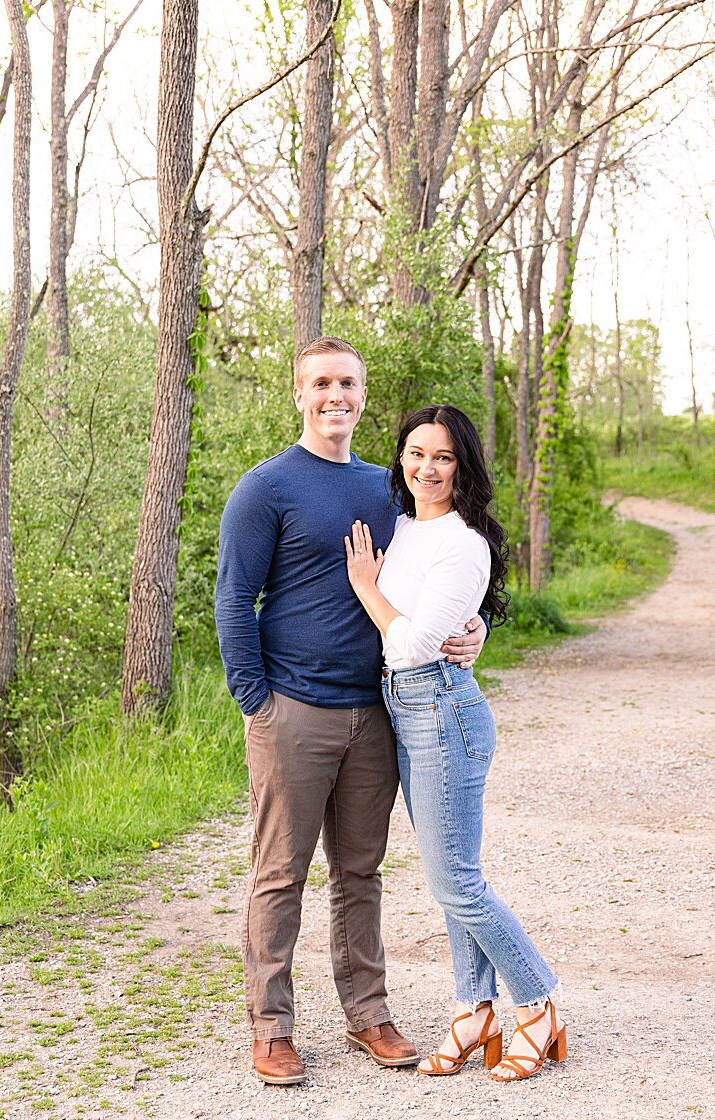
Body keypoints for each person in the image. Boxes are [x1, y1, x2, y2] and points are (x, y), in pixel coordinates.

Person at [214, 336, 487, 1086]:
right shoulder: (265, 487)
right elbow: (234, 598)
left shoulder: (388, 491)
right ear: (299, 393)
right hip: (291, 711)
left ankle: (369, 1015)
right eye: (323, 383)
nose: (337, 396)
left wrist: (476, 628)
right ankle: (271, 1030)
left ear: (364, 398)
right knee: (281, 873)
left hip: (377, 712)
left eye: (349, 385)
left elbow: (438, 573)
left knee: (361, 873)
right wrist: (256, 701)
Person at [344, 404, 565, 1082]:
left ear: (462, 465)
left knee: (457, 881)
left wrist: (364, 586)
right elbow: (436, 620)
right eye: (416, 453)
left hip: (441, 708)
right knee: (451, 879)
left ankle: (538, 1003)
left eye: (442, 457)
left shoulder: (463, 541)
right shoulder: (406, 527)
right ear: (401, 458)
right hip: (407, 709)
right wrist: (467, 628)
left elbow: (411, 644)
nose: (427, 467)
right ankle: (475, 1010)